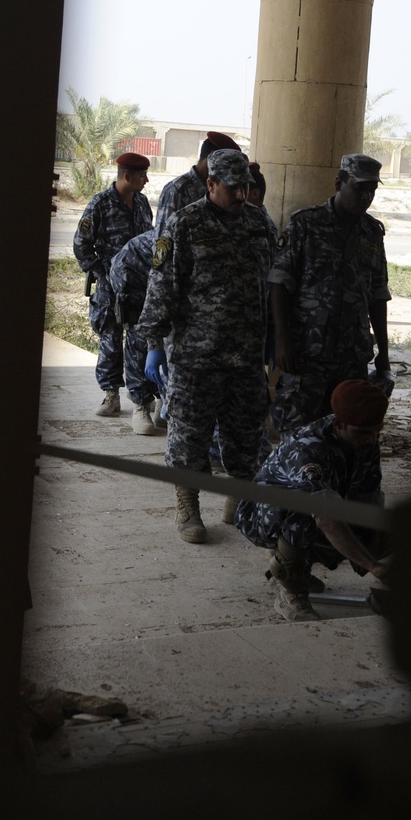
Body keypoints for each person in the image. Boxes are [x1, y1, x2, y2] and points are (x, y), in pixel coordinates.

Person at [138, 147, 274, 543]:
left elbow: (272, 282)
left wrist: (274, 338)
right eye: (232, 188)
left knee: (247, 434)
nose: (241, 195)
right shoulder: (185, 223)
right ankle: (188, 508)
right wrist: (154, 343)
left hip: (246, 355)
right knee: (189, 435)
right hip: (197, 355)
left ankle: (238, 501)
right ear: (211, 184)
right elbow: (163, 285)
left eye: (246, 187)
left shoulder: (259, 222)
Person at [234, 379, 390, 621]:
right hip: (263, 518)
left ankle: (297, 567)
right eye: (363, 432)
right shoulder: (309, 449)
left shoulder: (365, 437)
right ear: (339, 424)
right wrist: (373, 565)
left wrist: (370, 544)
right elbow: (327, 519)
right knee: (305, 512)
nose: (371, 439)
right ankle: (290, 590)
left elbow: (368, 497)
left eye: (375, 431)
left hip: (327, 506)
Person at [269, 152, 392, 437]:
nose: (366, 196)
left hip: (351, 354)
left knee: (347, 433)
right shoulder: (305, 224)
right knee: (299, 433)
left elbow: (378, 294)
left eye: (371, 190)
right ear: (339, 183)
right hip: (307, 352)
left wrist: (384, 352)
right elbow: (279, 284)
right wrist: (282, 340)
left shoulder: (372, 232)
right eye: (359, 188)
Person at [72, 151, 159, 434]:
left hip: (137, 287)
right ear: (126, 176)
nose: (146, 180)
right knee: (109, 340)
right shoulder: (100, 204)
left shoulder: (143, 203)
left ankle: (140, 404)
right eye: (141, 175)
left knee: (138, 342)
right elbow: (81, 244)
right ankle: (111, 395)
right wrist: (101, 272)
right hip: (110, 288)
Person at [107, 229, 165, 429]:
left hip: (162, 274)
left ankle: (161, 400)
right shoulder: (173, 236)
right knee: (140, 336)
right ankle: (140, 405)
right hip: (132, 270)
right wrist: (154, 343)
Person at [152, 130, 242, 237]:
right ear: (211, 159)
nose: (228, 171)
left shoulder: (223, 188)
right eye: (226, 165)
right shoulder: (176, 190)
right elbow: (163, 240)